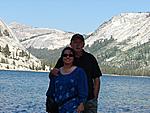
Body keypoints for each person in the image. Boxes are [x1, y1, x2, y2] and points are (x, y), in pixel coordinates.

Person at [51, 34, 102, 113]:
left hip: (89, 100)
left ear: (83, 44)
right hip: (69, 102)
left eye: (80, 42)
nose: (77, 44)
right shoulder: (65, 58)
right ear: (71, 44)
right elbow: (54, 76)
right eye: (75, 42)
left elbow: (97, 79)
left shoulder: (90, 58)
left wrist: (95, 98)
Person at [46, 47, 88, 113]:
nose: (68, 57)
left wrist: (82, 104)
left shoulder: (79, 72)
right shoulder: (56, 72)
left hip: (73, 107)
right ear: (62, 57)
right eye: (65, 55)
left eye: (70, 55)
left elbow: (83, 90)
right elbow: (51, 90)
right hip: (57, 108)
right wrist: (49, 104)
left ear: (74, 58)